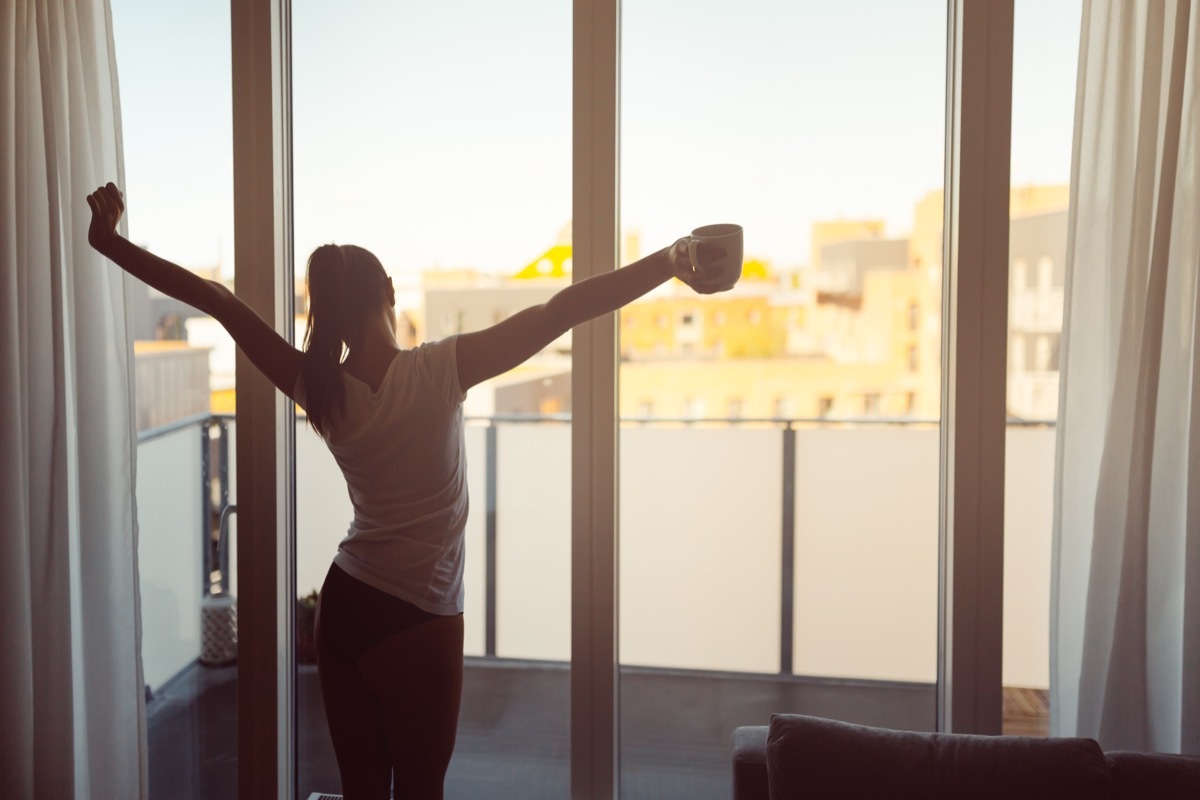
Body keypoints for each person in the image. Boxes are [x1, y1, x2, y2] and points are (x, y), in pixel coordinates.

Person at [85, 181, 731, 799]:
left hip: (347, 605)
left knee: (364, 794)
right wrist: (672, 259)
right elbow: (561, 309)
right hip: (419, 616)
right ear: (389, 292)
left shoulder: (321, 388)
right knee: (421, 793)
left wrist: (110, 242)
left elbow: (218, 302)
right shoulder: (437, 370)